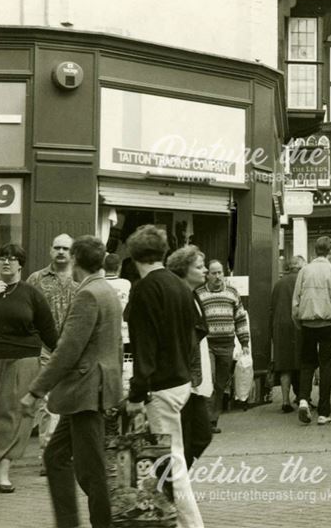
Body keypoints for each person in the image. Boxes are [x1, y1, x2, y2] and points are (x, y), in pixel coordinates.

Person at [21, 236, 122, 528]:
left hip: (86, 391)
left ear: (76, 259)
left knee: (91, 470)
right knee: (56, 456)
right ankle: (68, 522)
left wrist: (34, 391)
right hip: (93, 389)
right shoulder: (107, 290)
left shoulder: (87, 294)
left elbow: (67, 349)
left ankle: (102, 524)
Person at [124, 225, 204, 527]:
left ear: (133, 256)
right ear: (163, 252)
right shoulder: (179, 286)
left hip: (160, 386)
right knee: (172, 458)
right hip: (181, 381)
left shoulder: (144, 290)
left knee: (172, 463)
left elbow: (145, 347)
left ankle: (190, 524)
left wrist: (136, 393)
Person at [0, 244, 57, 493]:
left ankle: (3, 469)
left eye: (12, 259)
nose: (6, 262)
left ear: (21, 265)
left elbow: (49, 331)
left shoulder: (31, 294)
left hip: (22, 359)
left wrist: (63, 362)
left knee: (13, 414)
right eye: (1, 258)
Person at [25, 234, 75, 468]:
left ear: (72, 252)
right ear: (50, 250)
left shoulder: (80, 278)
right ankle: (48, 457)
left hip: (74, 347)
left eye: (66, 248)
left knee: (71, 402)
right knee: (48, 403)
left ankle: (65, 453)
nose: (61, 252)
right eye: (57, 248)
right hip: (46, 349)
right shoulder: (36, 279)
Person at [165, 246, 213, 471]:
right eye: (200, 267)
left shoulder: (193, 295)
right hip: (183, 379)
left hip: (194, 380)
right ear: (184, 269)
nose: (205, 271)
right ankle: (174, 486)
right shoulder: (178, 297)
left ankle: (177, 481)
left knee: (201, 436)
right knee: (186, 438)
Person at [292, 237, 331, 425]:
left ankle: (303, 400)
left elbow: (296, 301)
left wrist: (299, 322)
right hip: (329, 324)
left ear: (315, 251)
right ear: (330, 251)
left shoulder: (304, 271)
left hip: (307, 324)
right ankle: (324, 412)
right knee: (327, 366)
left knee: (307, 363)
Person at [195, 259, 249, 434]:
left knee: (220, 384)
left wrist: (245, 342)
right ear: (207, 275)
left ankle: (213, 419)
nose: (218, 276)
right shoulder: (199, 294)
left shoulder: (232, 293)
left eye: (220, 273)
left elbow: (240, 318)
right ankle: (205, 422)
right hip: (207, 345)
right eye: (214, 273)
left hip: (226, 344)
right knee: (208, 379)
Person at [271, 256, 304, 413]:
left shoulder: (278, 284)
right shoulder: (303, 281)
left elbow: (272, 308)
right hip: (299, 326)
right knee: (303, 363)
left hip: (281, 328)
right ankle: (303, 398)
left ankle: (285, 401)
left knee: (285, 365)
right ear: (299, 266)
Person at [103, 253, 131, 349]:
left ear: (103, 266)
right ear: (119, 267)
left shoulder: (99, 284)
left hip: (104, 333)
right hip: (123, 332)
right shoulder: (126, 284)